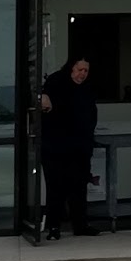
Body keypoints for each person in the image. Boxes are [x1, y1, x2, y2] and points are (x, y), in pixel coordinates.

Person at [39, 57, 99, 239]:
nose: (83, 74)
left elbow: (91, 113)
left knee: (79, 186)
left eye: (86, 71)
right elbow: (43, 102)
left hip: (79, 146)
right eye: (80, 70)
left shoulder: (87, 88)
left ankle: (80, 225)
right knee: (55, 186)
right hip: (55, 146)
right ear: (71, 68)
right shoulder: (56, 82)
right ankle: (54, 227)